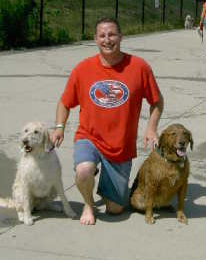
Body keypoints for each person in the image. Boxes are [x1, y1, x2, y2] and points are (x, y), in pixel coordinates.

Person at [50, 17, 164, 225]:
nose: (107, 39)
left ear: (120, 37)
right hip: (89, 136)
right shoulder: (83, 69)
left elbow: (157, 101)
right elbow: (65, 102)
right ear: (95, 39)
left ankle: (108, 181)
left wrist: (151, 128)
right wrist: (59, 128)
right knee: (83, 170)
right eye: (102, 35)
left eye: (112, 34)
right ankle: (88, 203)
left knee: (115, 211)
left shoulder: (139, 67)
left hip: (120, 146)